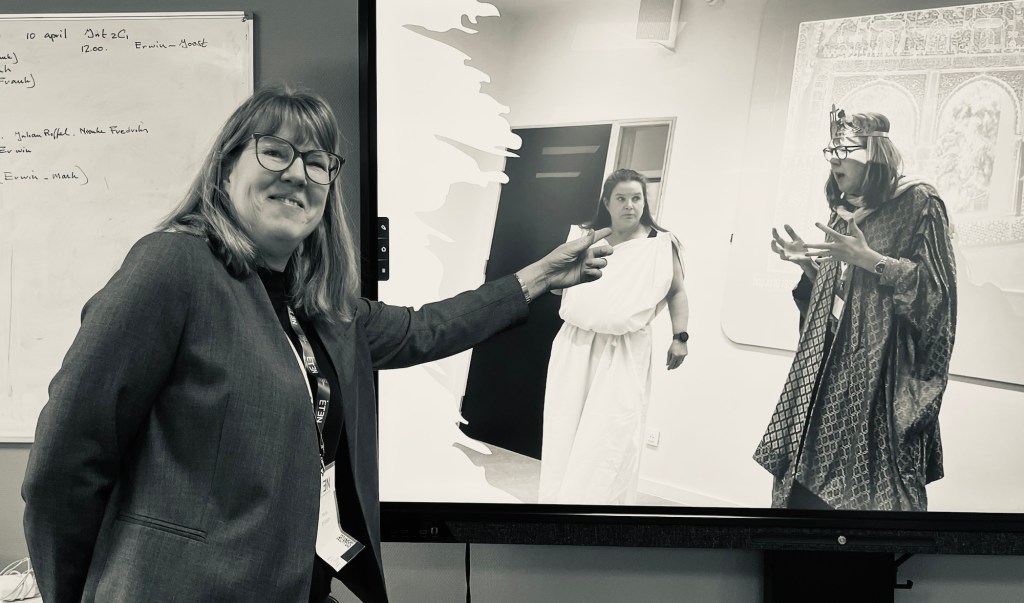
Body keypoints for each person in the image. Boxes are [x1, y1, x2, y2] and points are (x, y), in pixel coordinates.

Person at [20, 85, 614, 603]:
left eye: (316, 162)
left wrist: (539, 277)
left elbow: (425, 328)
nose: (297, 174)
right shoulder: (174, 266)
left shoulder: (323, 307)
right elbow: (64, 465)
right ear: (225, 169)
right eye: (275, 151)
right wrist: (71, 594)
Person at [753, 106, 957, 512]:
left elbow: (938, 297)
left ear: (874, 155)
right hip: (828, 370)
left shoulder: (920, 201)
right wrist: (809, 268)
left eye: (844, 150)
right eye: (831, 150)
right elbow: (846, 299)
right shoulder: (845, 207)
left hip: (878, 377)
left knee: (868, 504)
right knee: (803, 496)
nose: (834, 160)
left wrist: (872, 260)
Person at [537, 168, 689, 505]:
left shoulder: (661, 244)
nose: (629, 205)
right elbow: (555, 286)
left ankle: (598, 513)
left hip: (625, 350)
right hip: (575, 344)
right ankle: (557, 507)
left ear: (645, 201)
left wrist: (680, 337)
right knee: (564, 429)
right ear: (607, 202)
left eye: (636, 198)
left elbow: (677, 291)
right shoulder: (584, 238)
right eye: (621, 198)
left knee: (611, 437)